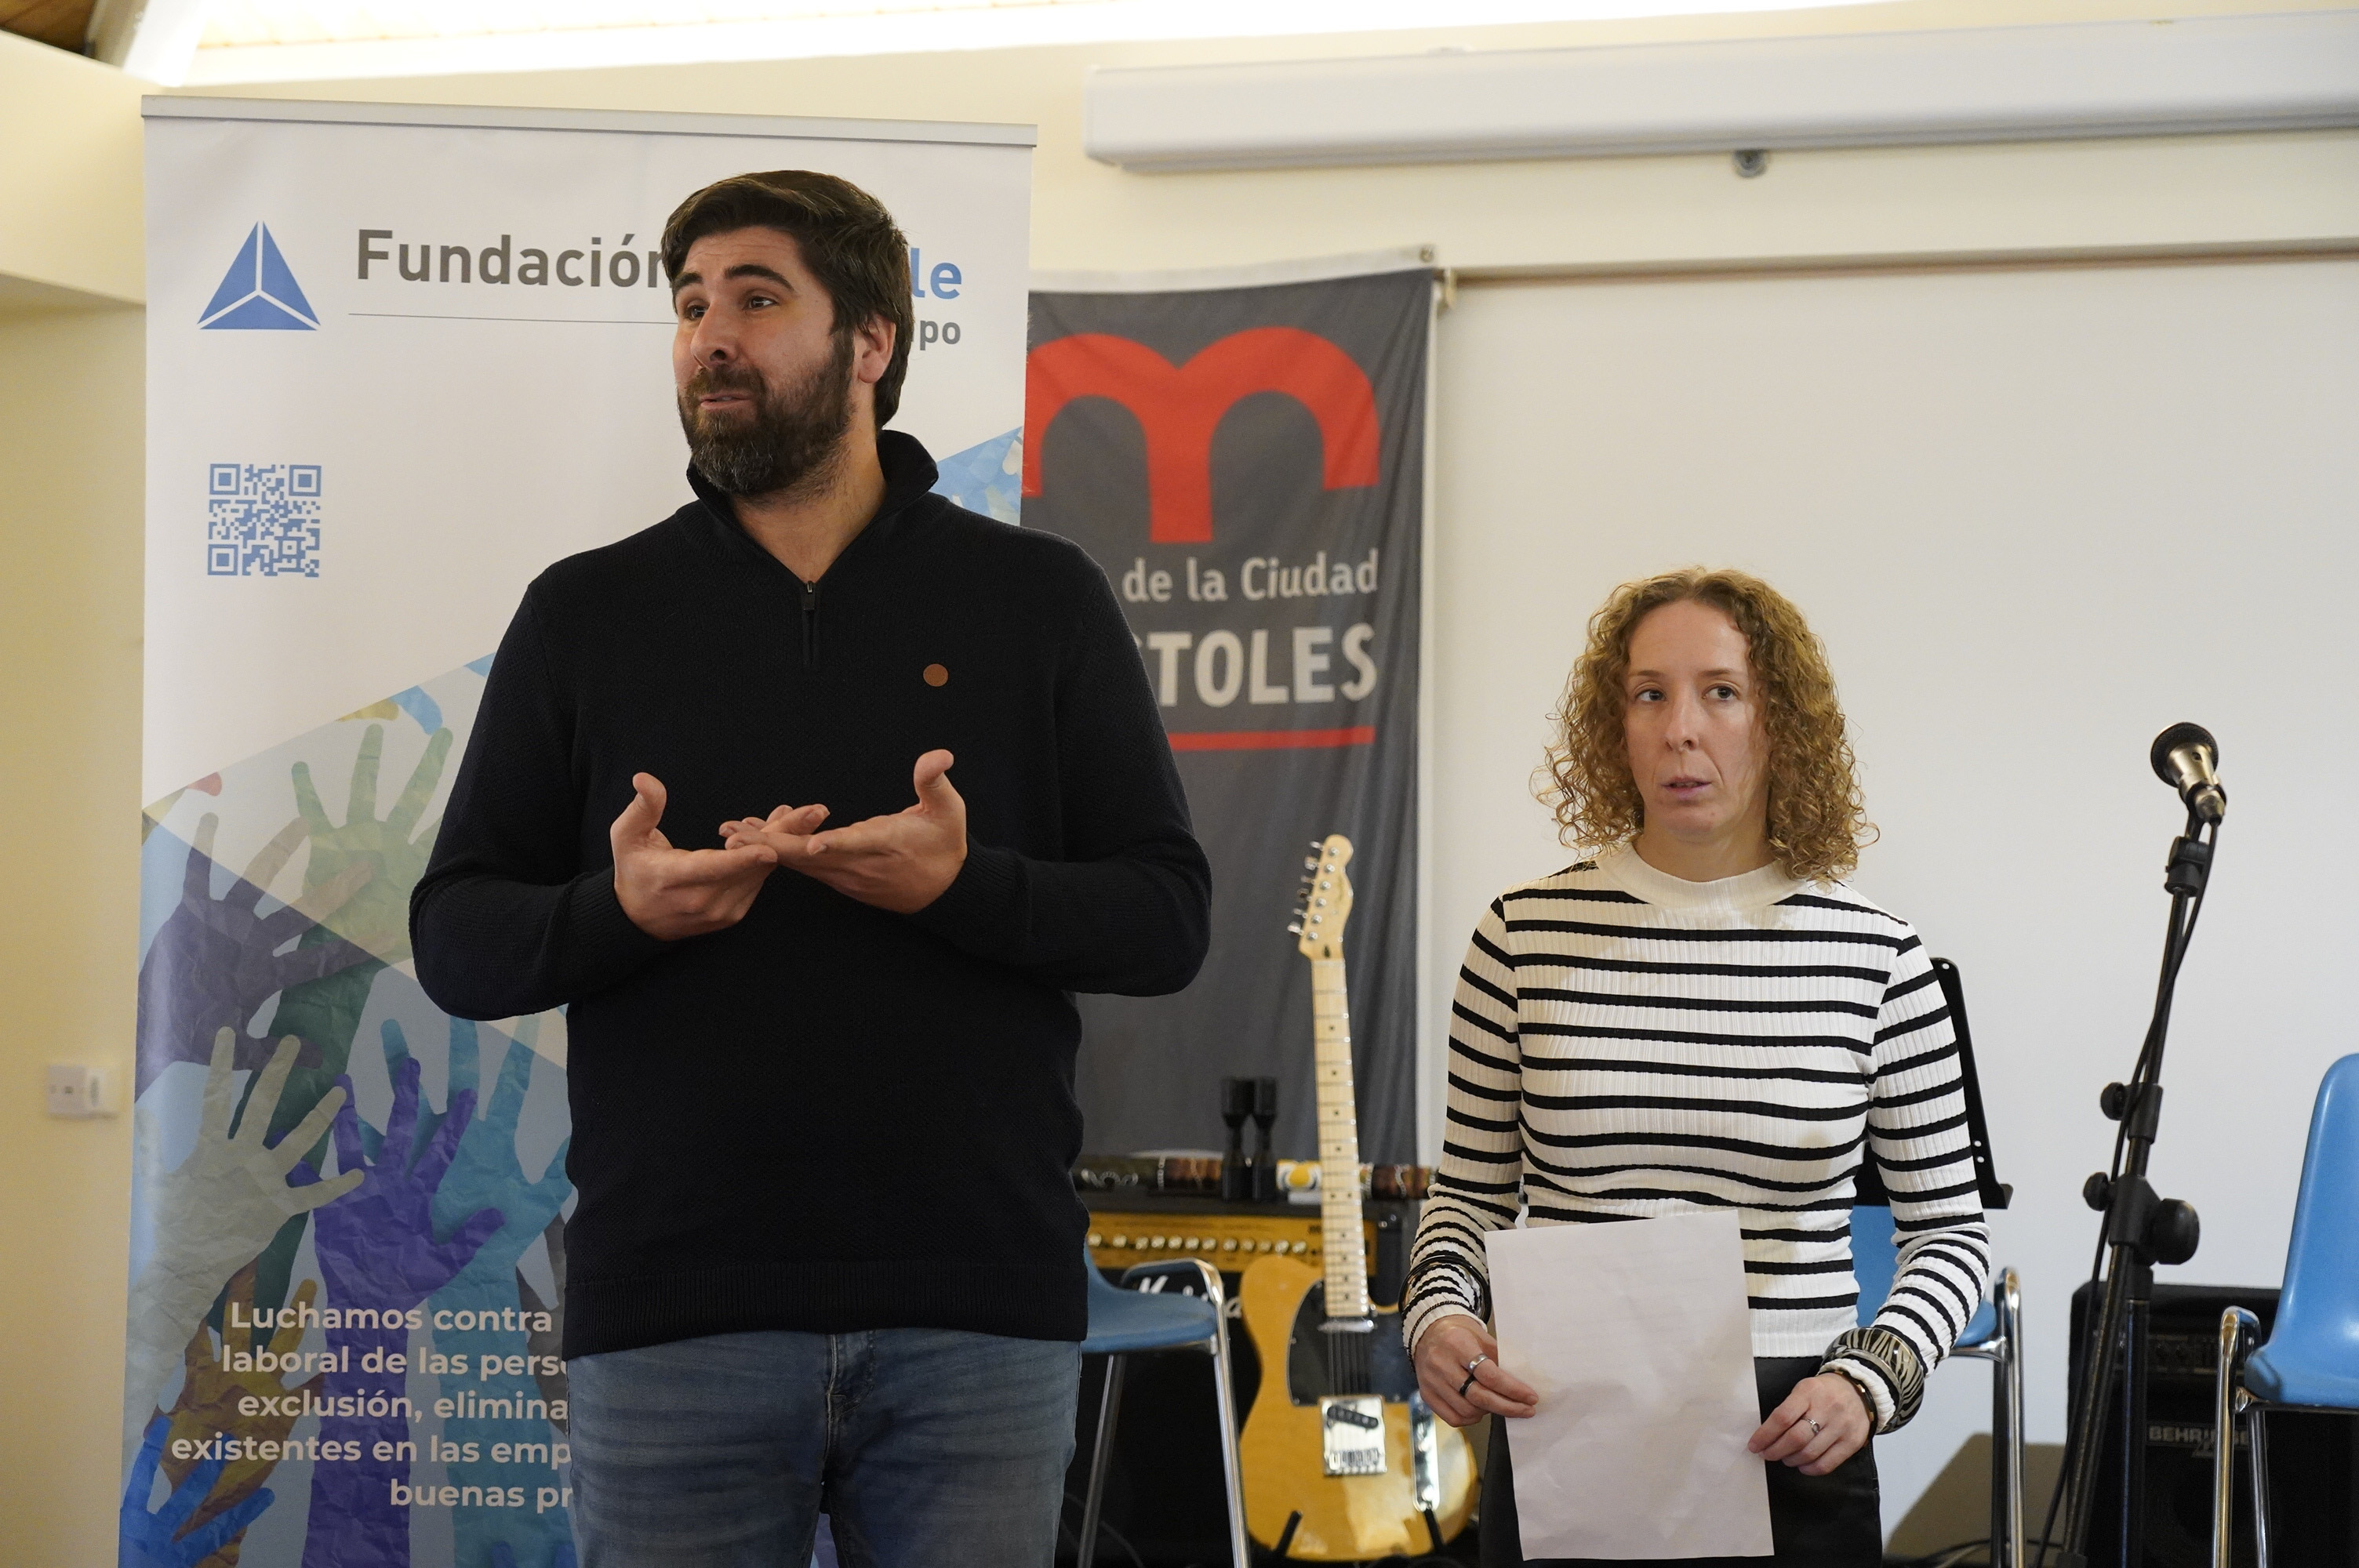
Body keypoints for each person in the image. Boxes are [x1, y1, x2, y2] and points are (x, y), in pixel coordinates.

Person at [409, 169, 1211, 1568]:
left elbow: (1167, 918)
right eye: (690, 307)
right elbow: (456, 938)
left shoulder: (1038, 600)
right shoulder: (587, 613)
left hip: (975, 1313)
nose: (710, 337)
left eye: (757, 299)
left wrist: (963, 888)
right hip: (675, 1317)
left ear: (872, 340)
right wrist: (620, 911)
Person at [1403, 568, 1990, 1566]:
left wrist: (1870, 1376)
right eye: (1648, 693)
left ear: (1779, 722)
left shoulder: (1877, 958)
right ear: (1614, 725)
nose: (1680, 729)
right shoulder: (1519, 936)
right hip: (1567, 1426)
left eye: (1720, 691)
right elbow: (1464, 1197)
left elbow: (1948, 1233)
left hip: (1795, 1427)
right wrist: (1438, 1313)